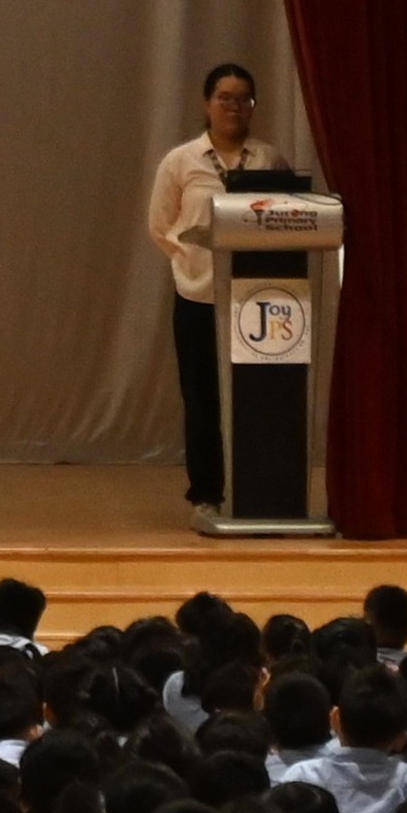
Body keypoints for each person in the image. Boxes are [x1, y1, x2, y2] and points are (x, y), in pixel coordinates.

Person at [147, 64, 285, 518]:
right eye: (224, 97)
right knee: (202, 398)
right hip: (198, 297)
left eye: (243, 99)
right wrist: (186, 261)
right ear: (207, 104)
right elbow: (160, 224)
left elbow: (287, 217)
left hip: (257, 299)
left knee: (256, 397)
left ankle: (260, 491)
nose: (234, 107)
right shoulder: (182, 160)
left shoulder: (268, 159)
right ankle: (206, 494)